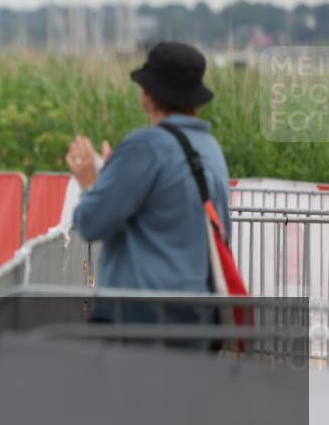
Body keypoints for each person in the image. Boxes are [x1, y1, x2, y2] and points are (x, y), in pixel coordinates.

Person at [68, 41, 230, 310]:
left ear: (146, 93)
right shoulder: (211, 149)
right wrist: (116, 175)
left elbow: (90, 223)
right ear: (196, 99)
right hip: (199, 319)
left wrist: (90, 183)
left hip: (143, 320)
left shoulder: (144, 147)